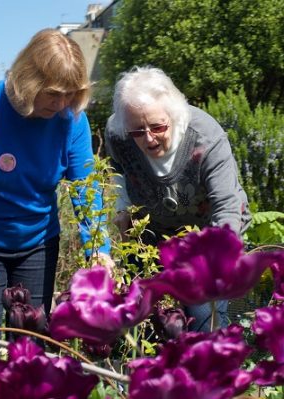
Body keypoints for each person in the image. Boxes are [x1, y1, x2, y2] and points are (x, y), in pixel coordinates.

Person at [0, 29, 114, 362]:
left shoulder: (71, 120)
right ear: (28, 79)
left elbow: (84, 187)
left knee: (31, 348)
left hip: (38, 244)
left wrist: (97, 249)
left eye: (70, 95)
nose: (61, 103)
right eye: (53, 94)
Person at [104, 66, 252, 332]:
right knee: (152, 327)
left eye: (157, 126)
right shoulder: (119, 133)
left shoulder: (206, 138)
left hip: (207, 239)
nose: (148, 138)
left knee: (204, 324)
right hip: (151, 239)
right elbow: (118, 177)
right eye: (138, 131)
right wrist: (121, 219)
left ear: (173, 115)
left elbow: (227, 207)